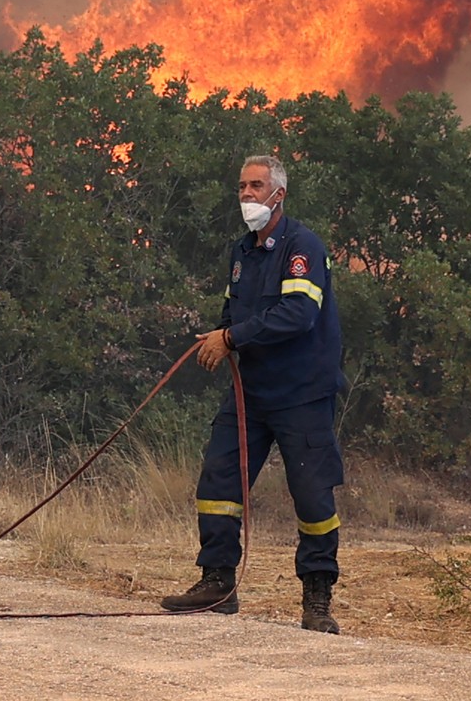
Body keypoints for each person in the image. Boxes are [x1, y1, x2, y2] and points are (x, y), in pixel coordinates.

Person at [161, 153, 346, 634]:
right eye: (242, 187)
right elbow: (234, 313)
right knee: (218, 482)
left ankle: (317, 599)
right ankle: (217, 583)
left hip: (302, 395)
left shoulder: (302, 247)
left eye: (256, 187)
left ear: (278, 195)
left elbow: (298, 315)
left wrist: (234, 339)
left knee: (312, 496)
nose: (246, 195)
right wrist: (220, 336)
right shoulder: (242, 252)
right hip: (252, 394)